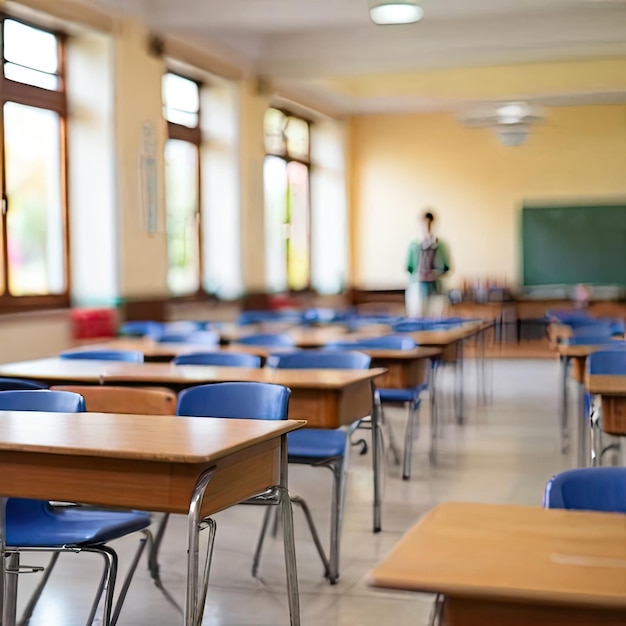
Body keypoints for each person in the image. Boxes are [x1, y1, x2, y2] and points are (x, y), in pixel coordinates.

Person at [406, 211, 452, 318]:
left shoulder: (441, 246)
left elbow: (446, 268)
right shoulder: (414, 246)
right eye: (424, 225)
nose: (426, 228)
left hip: (436, 290)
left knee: (436, 320)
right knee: (416, 320)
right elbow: (409, 269)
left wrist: (435, 274)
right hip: (417, 290)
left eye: (429, 224)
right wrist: (418, 276)